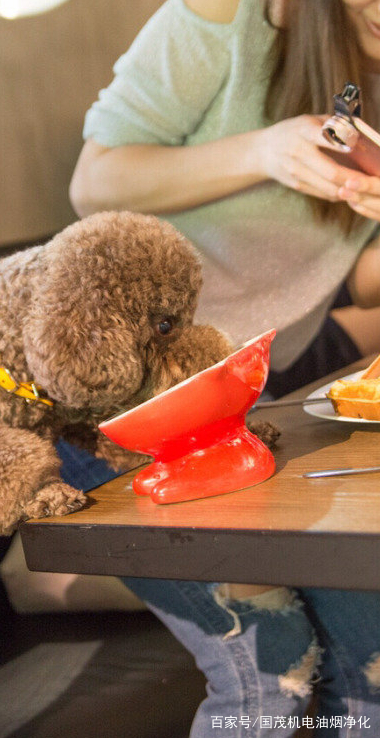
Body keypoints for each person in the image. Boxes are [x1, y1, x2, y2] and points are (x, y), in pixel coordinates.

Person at [63, 1, 380, 736]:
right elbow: (93, 180)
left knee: (370, 669)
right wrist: (262, 152)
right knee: (269, 680)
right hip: (122, 405)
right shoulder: (229, 14)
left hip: (252, 407)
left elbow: (339, 272)